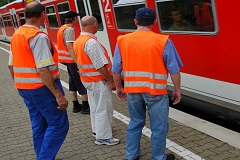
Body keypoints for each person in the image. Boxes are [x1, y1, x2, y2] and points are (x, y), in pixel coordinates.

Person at [112, 7, 183, 160]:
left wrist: (119, 87)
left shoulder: (123, 40)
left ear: (135, 22)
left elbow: (116, 68)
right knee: (159, 127)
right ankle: (158, 157)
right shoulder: (163, 41)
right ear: (154, 22)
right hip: (156, 92)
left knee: (135, 122)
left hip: (132, 91)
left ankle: (131, 156)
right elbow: (174, 69)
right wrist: (177, 90)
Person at [8, 1, 69, 159]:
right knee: (59, 125)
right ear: (42, 15)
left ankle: (41, 155)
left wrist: (21, 85)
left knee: (39, 125)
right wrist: (58, 95)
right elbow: (43, 69)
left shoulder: (17, 35)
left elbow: (10, 66)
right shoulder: (38, 36)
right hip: (42, 88)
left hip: (24, 88)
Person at [73, 16, 119, 145]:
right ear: (93, 24)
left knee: (95, 107)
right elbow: (100, 66)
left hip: (88, 80)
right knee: (103, 108)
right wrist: (111, 81)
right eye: (97, 24)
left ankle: (97, 130)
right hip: (98, 81)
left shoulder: (79, 40)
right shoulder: (91, 43)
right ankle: (103, 137)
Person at [57, 11, 90, 114]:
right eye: (77, 18)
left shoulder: (62, 28)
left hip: (65, 60)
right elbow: (70, 46)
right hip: (71, 60)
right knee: (79, 81)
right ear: (74, 19)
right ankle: (85, 106)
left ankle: (76, 105)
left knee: (72, 81)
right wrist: (77, 61)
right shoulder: (70, 29)